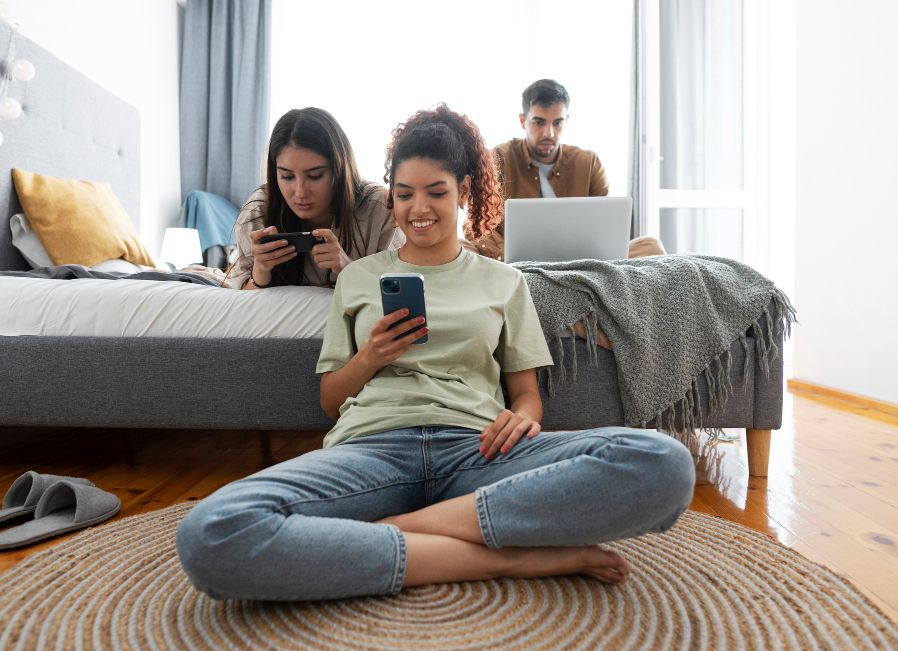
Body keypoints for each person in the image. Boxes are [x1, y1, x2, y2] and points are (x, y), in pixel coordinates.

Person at [176, 104, 695, 602]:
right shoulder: (357, 276)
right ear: (391, 201)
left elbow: (526, 394)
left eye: (435, 192)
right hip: (374, 448)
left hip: (479, 448)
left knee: (663, 462)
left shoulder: (505, 281)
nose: (418, 209)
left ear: (462, 191)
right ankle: (506, 557)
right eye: (404, 195)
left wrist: (523, 419)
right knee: (212, 531)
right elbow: (331, 401)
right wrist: (371, 356)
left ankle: (399, 533)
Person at [464, 79, 664, 261]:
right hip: (512, 259)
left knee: (652, 246)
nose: (549, 133)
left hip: (581, 258)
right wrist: (507, 258)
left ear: (566, 120)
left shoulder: (589, 162)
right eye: (538, 122)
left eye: (557, 123)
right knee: (460, 248)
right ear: (523, 120)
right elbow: (474, 226)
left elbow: (605, 228)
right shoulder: (497, 159)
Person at [227, 107, 404, 289]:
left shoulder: (378, 206)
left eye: (315, 176)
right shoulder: (261, 207)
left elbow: (396, 293)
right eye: (287, 177)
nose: (300, 192)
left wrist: (347, 267)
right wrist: (261, 269)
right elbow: (242, 301)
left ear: (340, 170)